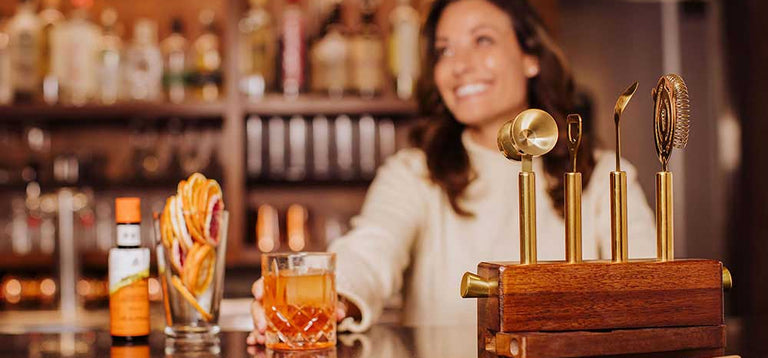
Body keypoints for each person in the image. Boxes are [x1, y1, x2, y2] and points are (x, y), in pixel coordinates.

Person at [247, 0, 655, 345]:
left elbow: (652, 293)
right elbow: (372, 249)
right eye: (444, 50)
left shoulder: (604, 174)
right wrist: (333, 294)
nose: (459, 65)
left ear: (530, 57)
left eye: (482, 40)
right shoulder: (414, 173)